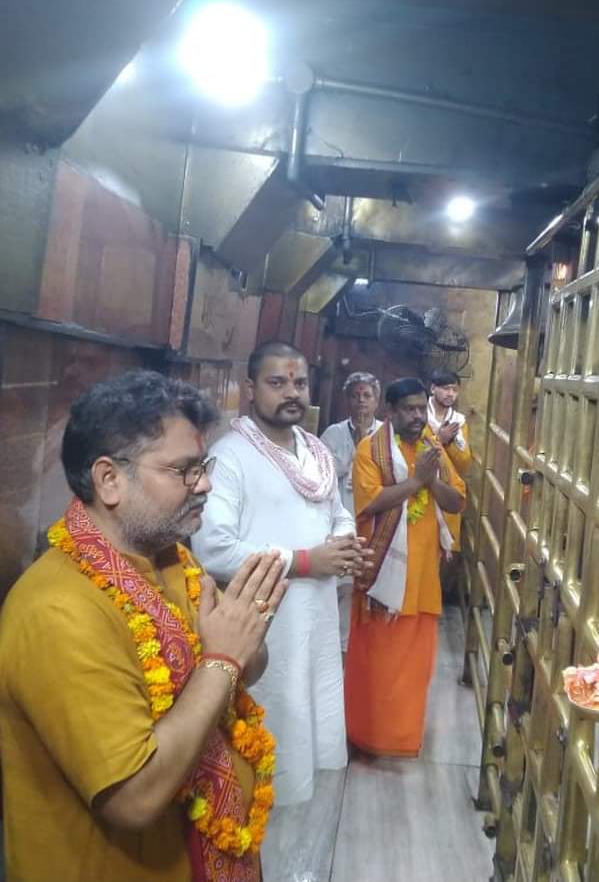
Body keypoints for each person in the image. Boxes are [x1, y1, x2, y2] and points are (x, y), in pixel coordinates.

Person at [0, 370, 287, 882]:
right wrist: (221, 660)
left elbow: (245, 662)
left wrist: (236, 645)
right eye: (184, 470)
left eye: (203, 467)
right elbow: (135, 798)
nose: (205, 485)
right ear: (109, 480)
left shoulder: (171, 559)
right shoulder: (58, 612)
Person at [192, 341, 367, 808]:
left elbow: (338, 512)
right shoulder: (230, 456)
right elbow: (212, 547)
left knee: (306, 729)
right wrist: (306, 561)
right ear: (250, 388)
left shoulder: (315, 452)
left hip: (316, 621)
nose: (292, 392)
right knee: (267, 744)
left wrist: (344, 545)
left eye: (300, 383)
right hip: (266, 628)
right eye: (277, 382)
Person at [345, 377, 466, 757]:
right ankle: (366, 737)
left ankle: (402, 739)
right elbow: (371, 502)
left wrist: (430, 482)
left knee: (414, 670)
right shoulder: (370, 450)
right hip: (382, 576)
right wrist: (417, 481)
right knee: (376, 666)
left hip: (423, 578)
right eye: (409, 409)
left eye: (420, 408)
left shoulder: (432, 447)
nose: (417, 416)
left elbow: (456, 501)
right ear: (390, 411)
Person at [320, 371, 383, 652]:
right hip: (337, 518)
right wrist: (356, 448)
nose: (361, 401)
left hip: (372, 519)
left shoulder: (384, 435)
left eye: (367, 395)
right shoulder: (333, 434)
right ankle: (332, 646)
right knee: (338, 584)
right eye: (355, 395)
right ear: (347, 400)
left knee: (361, 585)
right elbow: (324, 473)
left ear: (377, 401)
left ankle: (353, 648)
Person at [427, 370, 472, 558]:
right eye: (446, 388)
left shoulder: (458, 422)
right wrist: (439, 438)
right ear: (433, 388)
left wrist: (449, 442)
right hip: (422, 489)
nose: (450, 394)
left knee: (444, 556)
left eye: (455, 390)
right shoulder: (420, 416)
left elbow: (464, 463)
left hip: (447, 491)